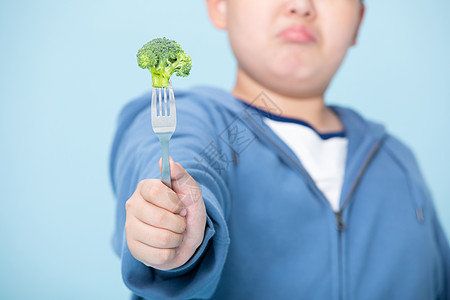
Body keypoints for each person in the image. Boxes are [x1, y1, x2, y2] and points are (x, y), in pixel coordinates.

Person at [109, 0, 450, 299]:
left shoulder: (398, 162)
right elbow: (183, 162)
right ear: (219, 5)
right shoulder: (197, 122)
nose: (301, 5)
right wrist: (178, 228)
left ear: (358, 22)